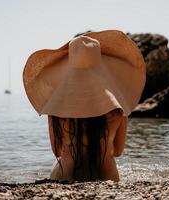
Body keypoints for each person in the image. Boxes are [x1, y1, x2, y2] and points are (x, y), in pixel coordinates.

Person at [23, 30, 146, 182]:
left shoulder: (57, 108)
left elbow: (56, 150)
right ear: (102, 63)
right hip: (105, 173)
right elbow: (118, 151)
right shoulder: (117, 108)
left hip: (65, 173)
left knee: (62, 160)